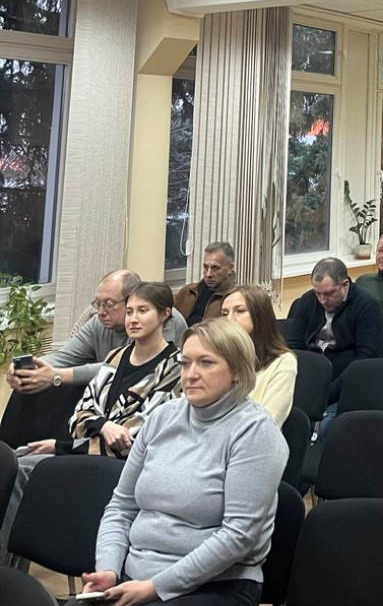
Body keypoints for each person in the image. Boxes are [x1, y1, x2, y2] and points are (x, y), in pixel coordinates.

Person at [58, 318, 288, 606]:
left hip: (217, 588)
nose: (190, 374)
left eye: (206, 363)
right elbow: (121, 506)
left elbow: (238, 536)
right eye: (185, 362)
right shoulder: (163, 418)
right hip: (134, 575)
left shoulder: (255, 432)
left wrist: (153, 588)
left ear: (237, 371)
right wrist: (108, 570)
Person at [1, 282, 182, 566]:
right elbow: (79, 417)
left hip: (125, 468)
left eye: (143, 311)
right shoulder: (116, 357)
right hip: (87, 453)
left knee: (24, 471)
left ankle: (6, 569)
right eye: (130, 312)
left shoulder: (175, 366)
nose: (133, 319)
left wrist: (63, 447)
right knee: (11, 462)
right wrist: (103, 426)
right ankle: (12, 569)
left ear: (164, 314)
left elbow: (132, 440)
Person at [5, 270, 186, 393]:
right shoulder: (99, 323)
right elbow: (65, 356)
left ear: (131, 298)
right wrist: (30, 368)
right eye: (98, 303)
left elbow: (133, 369)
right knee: (32, 385)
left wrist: (57, 376)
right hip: (105, 396)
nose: (100, 312)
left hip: (149, 396)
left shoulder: (164, 320)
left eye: (108, 304)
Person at [286, 257, 383, 426]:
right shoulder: (308, 301)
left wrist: (328, 393)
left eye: (329, 293)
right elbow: (294, 348)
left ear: (345, 285)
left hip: (345, 384)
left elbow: (364, 360)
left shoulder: (367, 306)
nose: (322, 300)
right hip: (309, 380)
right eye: (317, 293)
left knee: (326, 427)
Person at [221, 285, 296, 425]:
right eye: (225, 313)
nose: (229, 319)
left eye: (240, 311)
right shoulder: (219, 357)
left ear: (259, 315)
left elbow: (268, 421)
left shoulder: (283, 362)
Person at [173, 242, 236, 325]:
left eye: (215, 268)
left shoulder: (235, 297)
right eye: (206, 267)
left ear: (230, 268)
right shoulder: (188, 292)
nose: (208, 274)